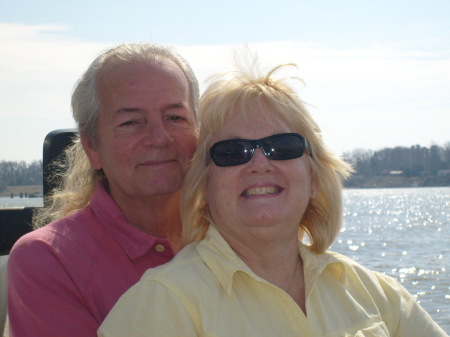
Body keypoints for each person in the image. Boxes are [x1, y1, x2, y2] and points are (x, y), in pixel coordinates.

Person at [98, 59, 448, 337]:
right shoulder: (163, 304)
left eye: (282, 147)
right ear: (204, 185)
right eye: (233, 152)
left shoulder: (378, 294)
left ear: (313, 175)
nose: (259, 163)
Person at [7, 42, 199, 337]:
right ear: (91, 145)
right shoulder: (48, 260)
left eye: (175, 117)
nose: (159, 138)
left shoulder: (238, 235)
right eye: (131, 122)